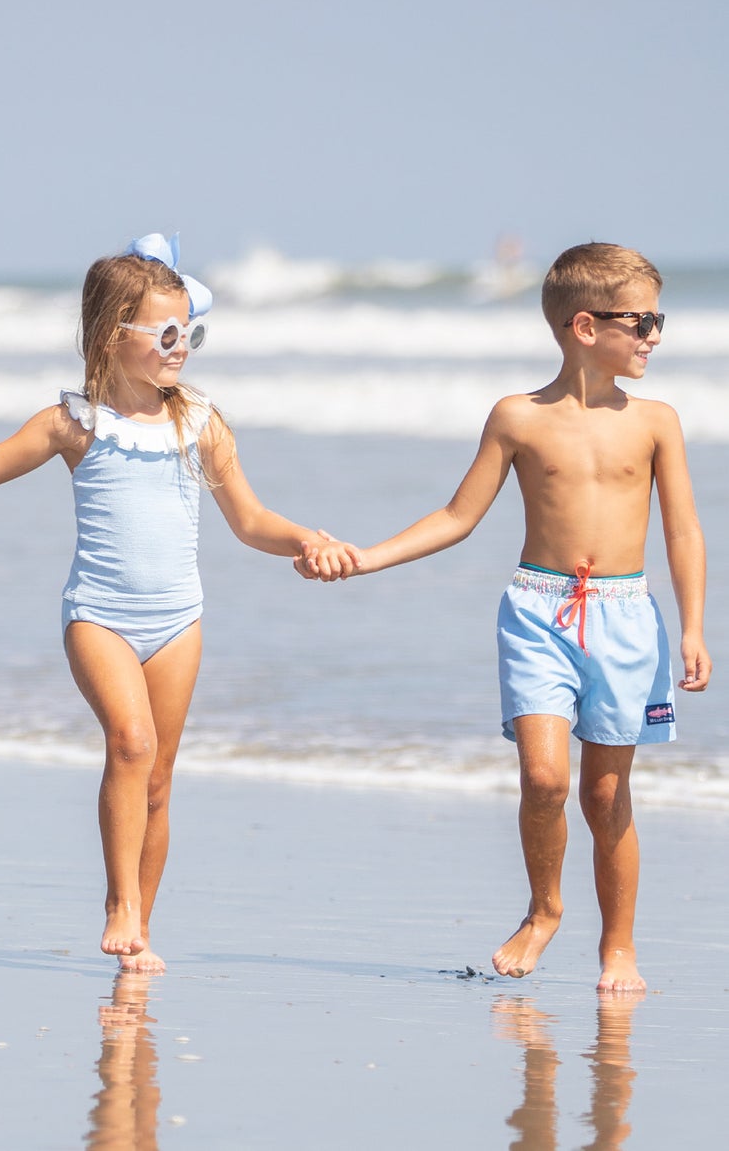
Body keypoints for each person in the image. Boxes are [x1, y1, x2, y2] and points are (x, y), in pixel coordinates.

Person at [0, 234, 359, 972]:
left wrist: (304, 539)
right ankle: (118, 903)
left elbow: (252, 520)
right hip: (98, 613)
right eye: (166, 334)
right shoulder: (72, 422)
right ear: (111, 336)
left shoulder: (199, 422)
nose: (181, 348)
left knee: (158, 779)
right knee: (129, 743)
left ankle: (141, 931)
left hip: (176, 620)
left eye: (189, 332)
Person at [301, 242, 711, 992]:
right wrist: (366, 556)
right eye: (642, 320)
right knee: (544, 778)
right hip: (537, 609)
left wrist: (690, 626)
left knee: (605, 793)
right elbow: (457, 516)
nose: (654, 334)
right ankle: (543, 908)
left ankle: (617, 944)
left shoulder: (656, 422)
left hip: (624, 616)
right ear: (584, 326)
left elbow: (682, 530)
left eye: (659, 319)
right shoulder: (516, 417)